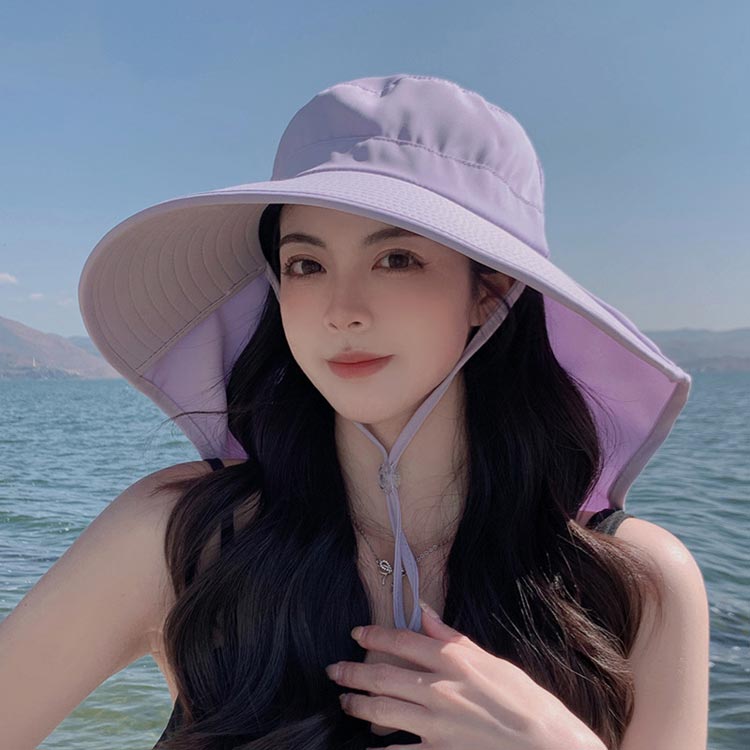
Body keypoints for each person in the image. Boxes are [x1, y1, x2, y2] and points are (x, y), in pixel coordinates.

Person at [0, 74, 709, 750]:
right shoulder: (185, 538)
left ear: (488, 290)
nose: (342, 311)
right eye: (306, 265)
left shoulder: (637, 582)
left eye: (396, 258)